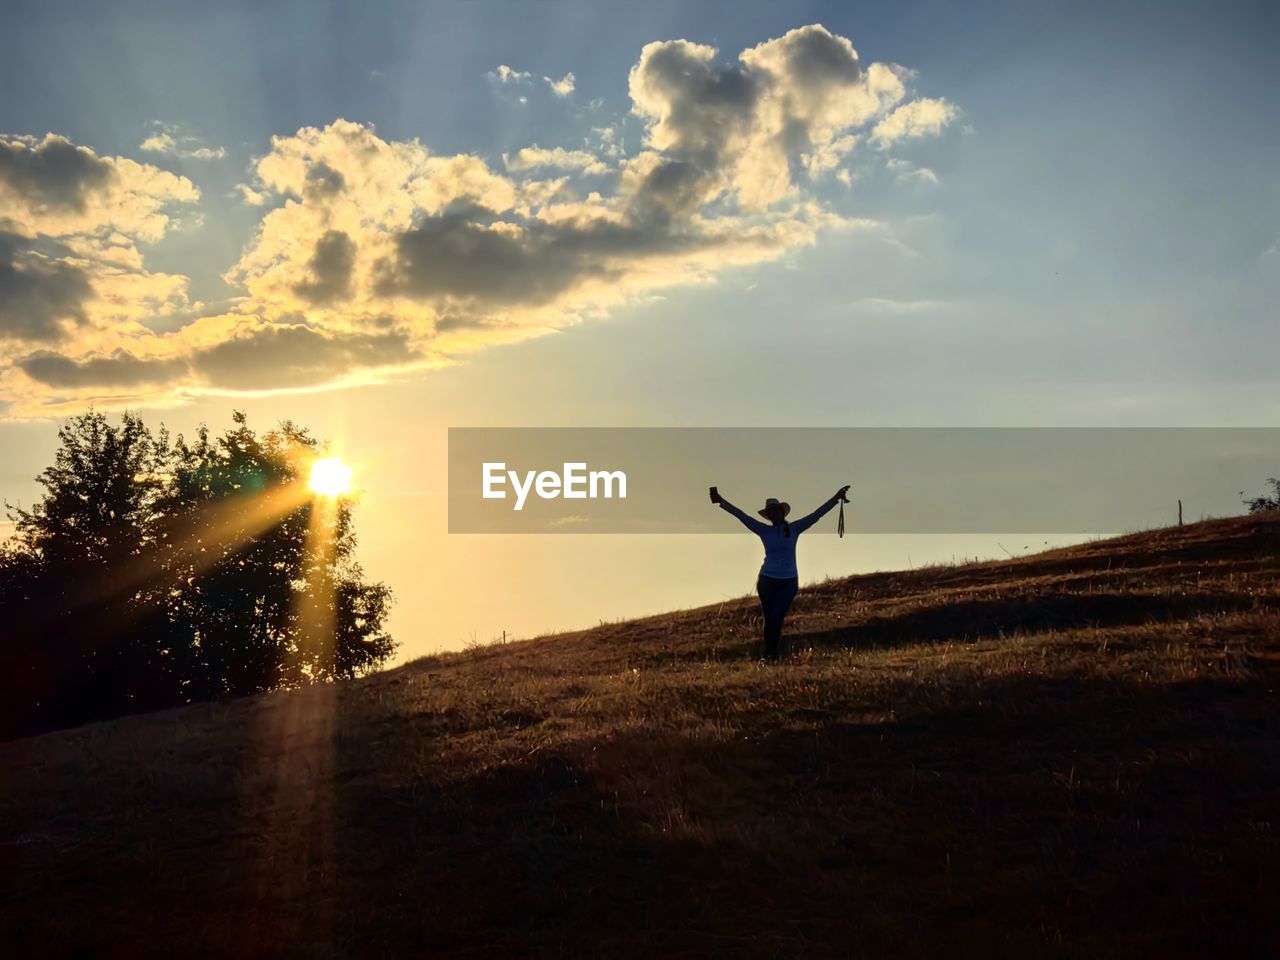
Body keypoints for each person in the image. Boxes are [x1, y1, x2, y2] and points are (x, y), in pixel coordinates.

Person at [710, 485, 851, 660]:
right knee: (770, 619)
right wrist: (721, 502)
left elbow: (816, 515)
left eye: (775, 511)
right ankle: (770, 655)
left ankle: (770, 653)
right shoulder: (764, 530)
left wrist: (836, 498)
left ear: (781, 512)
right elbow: (741, 516)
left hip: (788, 581)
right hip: (767, 580)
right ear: (768, 516)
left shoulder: (794, 529)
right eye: (770, 512)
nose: (773, 514)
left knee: (776, 616)